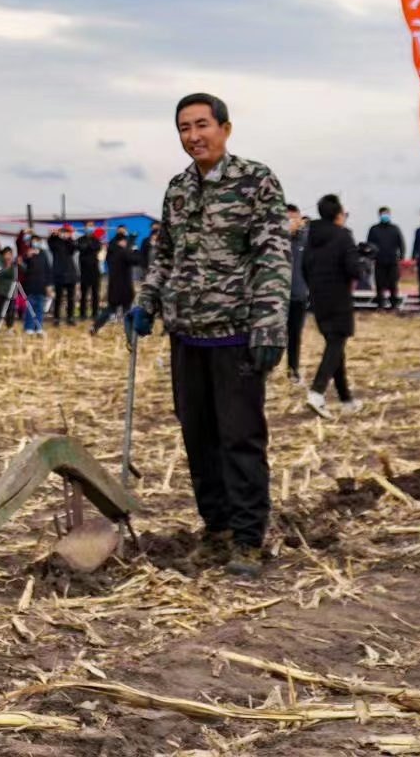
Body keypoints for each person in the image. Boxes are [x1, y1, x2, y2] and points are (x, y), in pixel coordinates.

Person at [129, 93, 289, 580]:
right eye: (184, 128)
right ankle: (216, 528)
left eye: (202, 125)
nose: (193, 136)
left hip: (236, 334)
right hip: (187, 335)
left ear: (225, 127)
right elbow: (165, 256)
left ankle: (247, 539)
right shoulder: (177, 189)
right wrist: (146, 300)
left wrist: (269, 323)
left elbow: (273, 256)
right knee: (198, 437)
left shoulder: (255, 181)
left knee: (239, 438)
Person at [302, 195, 364, 419]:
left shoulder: (312, 237)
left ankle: (346, 399)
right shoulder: (343, 236)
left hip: (319, 299)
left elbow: (304, 267)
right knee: (335, 345)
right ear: (338, 214)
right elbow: (354, 270)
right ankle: (317, 392)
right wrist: (363, 260)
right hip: (339, 299)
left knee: (335, 347)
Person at [90, 230, 136, 335]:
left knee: (109, 309)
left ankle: (95, 326)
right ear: (121, 242)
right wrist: (135, 250)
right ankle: (130, 334)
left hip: (114, 286)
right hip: (124, 287)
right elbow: (135, 260)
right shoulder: (123, 253)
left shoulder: (111, 253)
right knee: (127, 311)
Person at [364, 208, 405, 311]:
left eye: (386, 214)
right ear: (379, 215)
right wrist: (370, 257)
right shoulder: (374, 229)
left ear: (389, 215)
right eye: (382, 214)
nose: (384, 215)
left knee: (393, 283)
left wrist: (401, 257)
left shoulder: (395, 229)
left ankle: (394, 304)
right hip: (379, 260)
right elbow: (368, 245)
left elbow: (401, 243)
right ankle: (380, 304)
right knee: (379, 283)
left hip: (392, 260)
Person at [286, 205, 309, 385]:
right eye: (288, 220)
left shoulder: (306, 240)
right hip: (276, 297)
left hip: (299, 295)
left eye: (295, 219)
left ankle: (293, 369)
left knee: (295, 335)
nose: (293, 223)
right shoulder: (276, 240)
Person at [17, 232, 52, 335]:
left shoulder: (43, 253)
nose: (35, 242)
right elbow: (23, 268)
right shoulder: (26, 253)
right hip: (30, 284)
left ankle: (39, 327)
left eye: (37, 241)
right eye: (33, 241)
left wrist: (49, 285)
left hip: (41, 284)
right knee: (30, 307)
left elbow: (48, 269)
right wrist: (27, 257)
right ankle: (29, 327)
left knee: (40, 307)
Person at [48, 223, 80, 326]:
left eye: (68, 232)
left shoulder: (70, 243)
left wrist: (69, 238)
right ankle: (56, 318)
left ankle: (70, 317)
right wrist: (54, 235)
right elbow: (50, 243)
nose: (65, 234)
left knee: (71, 298)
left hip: (70, 274)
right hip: (59, 274)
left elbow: (74, 248)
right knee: (58, 297)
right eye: (64, 232)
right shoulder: (55, 242)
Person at [0, 247, 20, 334]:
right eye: (7, 254)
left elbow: (21, 270)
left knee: (10, 310)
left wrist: (19, 264)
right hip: (1, 290)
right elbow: (1, 273)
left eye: (10, 254)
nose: (9, 256)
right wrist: (9, 267)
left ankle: (9, 327)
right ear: (3, 254)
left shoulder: (13, 264)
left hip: (11, 290)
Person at [76, 225, 103, 320]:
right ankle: (82, 314)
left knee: (95, 293)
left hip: (95, 270)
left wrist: (88, 246)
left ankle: (95, 313)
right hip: (84, 270)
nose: (89, 229)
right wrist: (89, 246)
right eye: (88, 227)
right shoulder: (80, 239)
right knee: (84, 294)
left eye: (91, 227)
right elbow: (81, 247)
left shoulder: (96, 239)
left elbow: (97, 247)